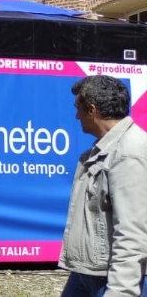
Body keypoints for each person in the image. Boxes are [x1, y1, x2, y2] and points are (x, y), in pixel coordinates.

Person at [59, 75, 147, 296]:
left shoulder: (128, 154)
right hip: (88, 273)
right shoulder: (104, 150)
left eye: (78, 109)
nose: (76, 116)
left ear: (92, 109)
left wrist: (120, 291)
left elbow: (132, 232)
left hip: (117, 279)